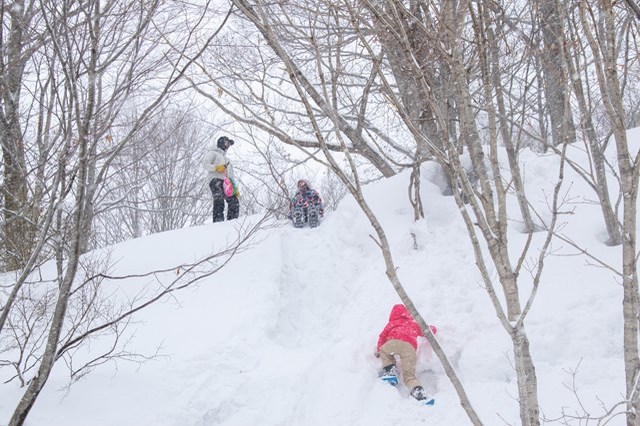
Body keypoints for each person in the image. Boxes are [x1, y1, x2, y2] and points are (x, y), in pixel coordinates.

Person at [375, 304, 437, 403]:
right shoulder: (412, 324)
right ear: (407, 314)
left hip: (393, 342)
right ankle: (418, 391)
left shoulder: (391, 324)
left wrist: (379, 350)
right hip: (409, 348)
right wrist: (433, 329)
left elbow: (382, 337)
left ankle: (391, 371)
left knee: (384, 350)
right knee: (409, 375)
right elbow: (426, 330)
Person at [203, 136, 239, 222]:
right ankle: (218, 222)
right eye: (227, 143)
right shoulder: (213, 153)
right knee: (219, 199)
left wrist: (234, 188)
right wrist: (216, 168)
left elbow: (230, 174)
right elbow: (205, 164)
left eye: (229, 144)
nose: (228, 146)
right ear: (221, 143)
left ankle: (232, 221)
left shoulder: (227, 159)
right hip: (215, 179)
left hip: (226, 182)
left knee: (234, 200)